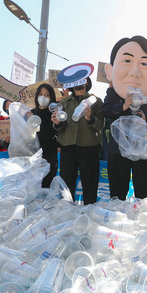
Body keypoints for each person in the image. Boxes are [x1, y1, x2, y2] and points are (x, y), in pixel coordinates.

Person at [103, 35, 147, 200]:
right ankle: (118, 220)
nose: (135, 72)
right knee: (117, 190)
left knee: (144, 191)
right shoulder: (113, 93)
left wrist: (146, 119)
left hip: (143, 149)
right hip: (118, 149)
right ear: (110, 71)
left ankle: (143, 219)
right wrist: (123, 106)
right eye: (127, 61)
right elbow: (105, 111)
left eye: (144, 64)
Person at [52, 77, 104, 205]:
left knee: (90, 183)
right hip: (68, 146)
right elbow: (58, 127)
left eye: (82, 79)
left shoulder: (95, 101)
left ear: (86, 82)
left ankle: (90, 212)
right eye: (75, 80)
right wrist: (57, 123)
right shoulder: (64, 103)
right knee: (66, 183)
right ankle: (67, 212)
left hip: (89, 146)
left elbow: (101, 125)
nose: (78, 82)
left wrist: (89, 118)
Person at [31, 83, 59, 188]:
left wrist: (56, 122)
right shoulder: (30, 113)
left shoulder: (55, 115)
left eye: (47, 95)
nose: (43, 97)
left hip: (49, 158)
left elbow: (54, 133)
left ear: (52, 98)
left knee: (46, 189)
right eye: (41, 94)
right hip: (32, 159)